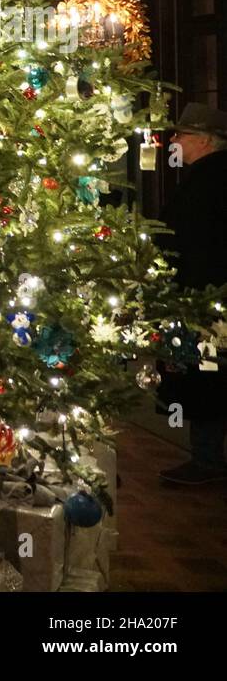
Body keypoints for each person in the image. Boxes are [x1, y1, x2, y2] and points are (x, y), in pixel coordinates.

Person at [156, 102, 227, 484]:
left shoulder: (202, 185)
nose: (174, 141)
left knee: (204, 376)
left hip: (200, 299)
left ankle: (206, 459)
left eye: (181, 135)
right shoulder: (206, 179)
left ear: (204, 141)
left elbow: (182, 244)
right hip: (210, 296)